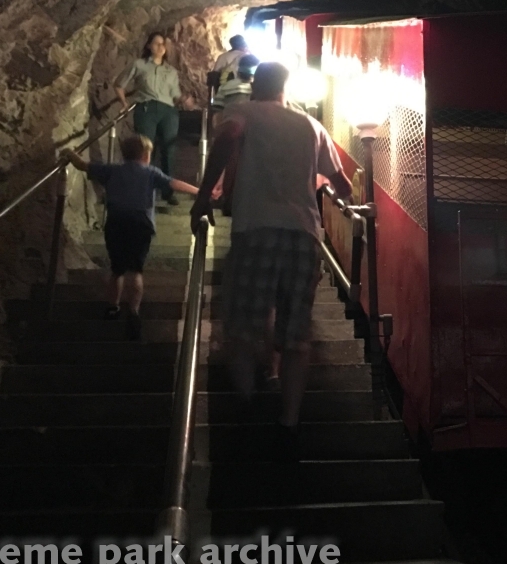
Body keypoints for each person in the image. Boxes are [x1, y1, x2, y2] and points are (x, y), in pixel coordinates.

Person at [191, 62, 353, 461]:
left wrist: (202, 199)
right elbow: (343, 184)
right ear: (285, 87)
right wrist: (305, 179)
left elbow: (228, 136)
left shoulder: (242, 112)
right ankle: (289, 421)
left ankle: (246, 404)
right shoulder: (310, 126)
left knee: (244, 321)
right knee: (296, 333)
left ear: (254, 86)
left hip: (256, 230)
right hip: (304, 236)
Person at [63, 135, 199, 339]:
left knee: (117, 269)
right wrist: (199, 191)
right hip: (140, 223)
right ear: (146, 155)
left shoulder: (112, 170)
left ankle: (112, 307)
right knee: (135, 270)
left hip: (116, 221)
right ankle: (134, 312)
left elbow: (83, 165)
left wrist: (68, 152)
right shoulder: (150, 172)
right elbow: (173, 184)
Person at [116, 33, 183, 204]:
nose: (161, 47)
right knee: (145, 149)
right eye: (157, 43)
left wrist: (185, 101)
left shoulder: (171, 71)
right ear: (149, 46)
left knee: (169, 150)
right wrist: (124, 104)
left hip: (168, 110)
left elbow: (175, 94)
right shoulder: (139, 65)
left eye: (163, 44)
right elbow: (119, 84)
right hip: (147, 108)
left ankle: (168, 191)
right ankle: (144, 188)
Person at [210, 54, 257, 130]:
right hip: (250, 130)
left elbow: (217, 112)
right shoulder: (257, 89)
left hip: (229, 129)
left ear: (238, 71)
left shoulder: (225, 87)